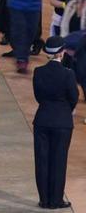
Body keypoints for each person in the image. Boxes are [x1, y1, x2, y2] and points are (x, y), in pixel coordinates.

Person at [32, 36, 78, 210]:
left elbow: (38, 97)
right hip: (62, 122)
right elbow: (74, 97)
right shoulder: (68, 74)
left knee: (42, 160)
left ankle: (44, 199)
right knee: (59, 160)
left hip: (42, 119)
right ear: (62, 52)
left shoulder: (38, 72)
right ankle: (56, 200)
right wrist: (65, 110)